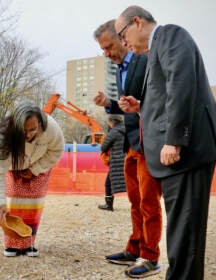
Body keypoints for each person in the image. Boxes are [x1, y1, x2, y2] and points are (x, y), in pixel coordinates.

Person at [115, 6, 216, 280]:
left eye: (122, 35)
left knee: (185, 232)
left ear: (137, 22)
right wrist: (141, 107)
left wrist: (174, 140)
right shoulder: (158, 48)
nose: (123, 43)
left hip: (187, 153)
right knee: (182, 232)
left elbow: (181, 84)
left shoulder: (170, 35)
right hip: (179, 158)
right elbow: (167, 95)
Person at [93, 19, 163, 278]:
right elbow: (127, 105)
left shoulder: (145, 60)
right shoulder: (117, 69)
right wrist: (108, 103)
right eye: (103, 49)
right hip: (131, 143)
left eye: (109, 46)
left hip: (148, 142)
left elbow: (155, 98)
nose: (107, 53)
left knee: (149, 202)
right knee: (135, 201)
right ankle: (134, 248)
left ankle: (151, 257)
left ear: (122, 38)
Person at [0, 101, 64, 257]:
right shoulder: (4, 134)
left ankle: (29, 243)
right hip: (14, 168)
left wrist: (35, 169)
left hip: (40, 166)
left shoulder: (51, 128)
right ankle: (11, 245)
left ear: (40, 124)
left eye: (33, 129)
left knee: (34, 207)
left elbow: (56, 151)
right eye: (23, 130)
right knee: (13, 204)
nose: (28, 135)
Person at [98, 115, 126, 211]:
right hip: (129, 160)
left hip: (117, 162)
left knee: (108, 183)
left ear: (112, 122)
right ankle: (140, 204)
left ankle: (109, 205)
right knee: (133, 183)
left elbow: (104, 147)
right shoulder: (128, 129)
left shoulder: (113, 132)